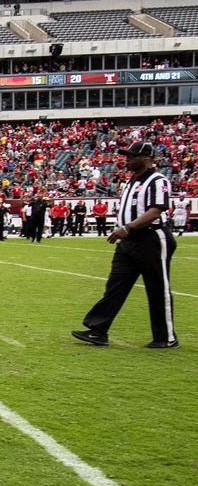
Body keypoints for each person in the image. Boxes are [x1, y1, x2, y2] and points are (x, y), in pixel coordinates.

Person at [74, 141, 177, 348]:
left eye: (131, 156)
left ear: (147, 158)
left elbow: (156, 210)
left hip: (151, 238)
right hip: (127, 241)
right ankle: (98, 330)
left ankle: (165, 337)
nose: (127, 159)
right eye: (126, 156)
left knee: (157, 288)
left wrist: (128, 227)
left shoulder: (158, 180)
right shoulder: (131, 181)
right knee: (115, 287)